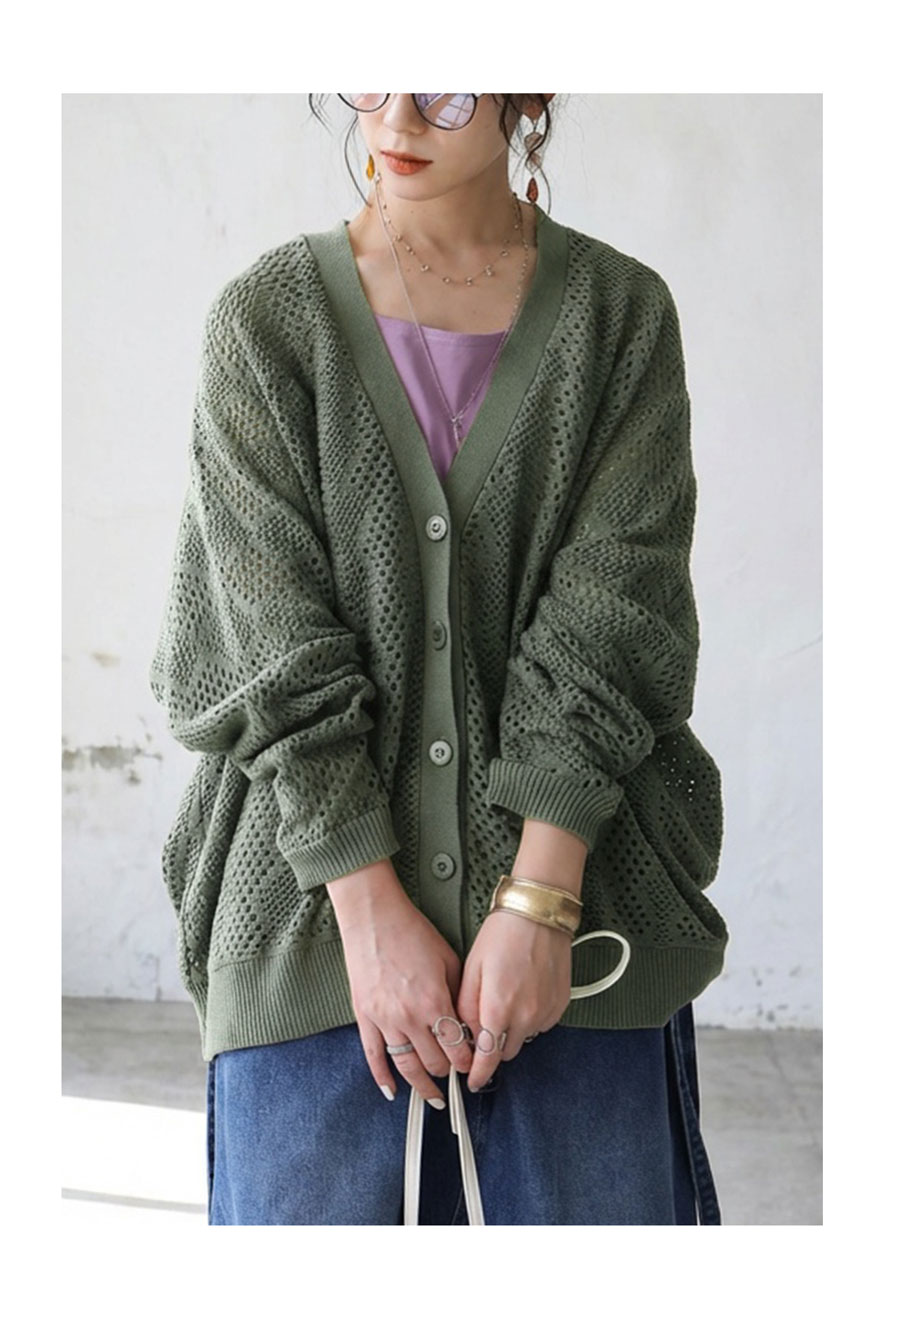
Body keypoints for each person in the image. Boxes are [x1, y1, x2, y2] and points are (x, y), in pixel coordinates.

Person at [149, 93, 729, 1226]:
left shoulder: (618, 316)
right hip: (309, 926)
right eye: (374, 72)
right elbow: (264, 643)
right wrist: (368, 910)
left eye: (450, 85)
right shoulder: (267, 324)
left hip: (585, 927)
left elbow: (618, 618)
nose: (401, 116)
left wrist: (540, 901)